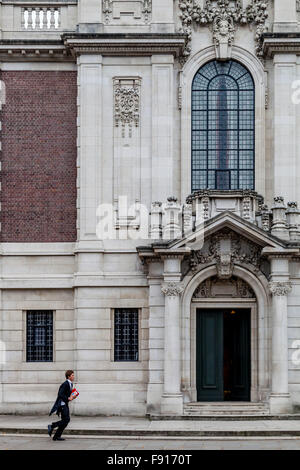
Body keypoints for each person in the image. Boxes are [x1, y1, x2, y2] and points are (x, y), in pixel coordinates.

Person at [48, 370, 75, 441]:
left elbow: (67, 394)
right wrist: (68, 398)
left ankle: (56, 436)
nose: (73, 376)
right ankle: (52, 426)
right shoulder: (65, 384)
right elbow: (60, 394)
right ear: (68, 376)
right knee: (67, 420)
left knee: (65, 421)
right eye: (72, 375)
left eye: (73, 375)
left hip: (65, 404)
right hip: (62, 405)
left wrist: (73, 396)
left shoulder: (71, 384)